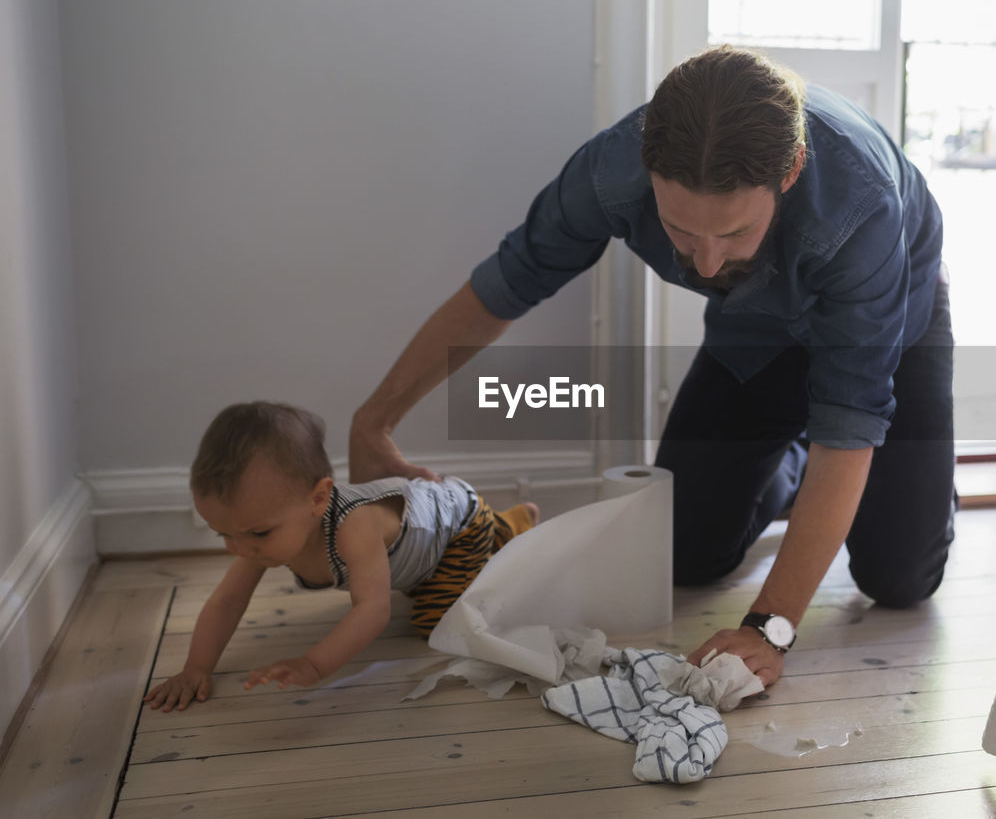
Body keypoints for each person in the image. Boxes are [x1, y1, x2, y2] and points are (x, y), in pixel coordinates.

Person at [348, 46, 953, 688]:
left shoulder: (862, 212)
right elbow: (504, 287)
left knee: (899, 580)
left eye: (735, 234)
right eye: (682, 235)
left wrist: (768, 628)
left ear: (792, 170)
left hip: (893, 323)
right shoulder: (610, 170)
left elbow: (851, 420)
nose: (709, 267)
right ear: (647, 172)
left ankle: (906, 475)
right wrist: (372, 421)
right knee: (685, 555)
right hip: (753, 331)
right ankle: (796, 454)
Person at [143, 401, 538, 712]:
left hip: (456, 529)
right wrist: (196, 667)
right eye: (223, 534)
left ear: (318, 499)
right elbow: (227, 601)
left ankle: (508, 531)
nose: (241, 549)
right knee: (417, 586)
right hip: (420, 546)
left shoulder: (354, 526)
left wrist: (313, 664)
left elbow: (372, 610)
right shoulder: (255, 538)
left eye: (258, 533)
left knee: (436, 623)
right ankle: (509, 524)